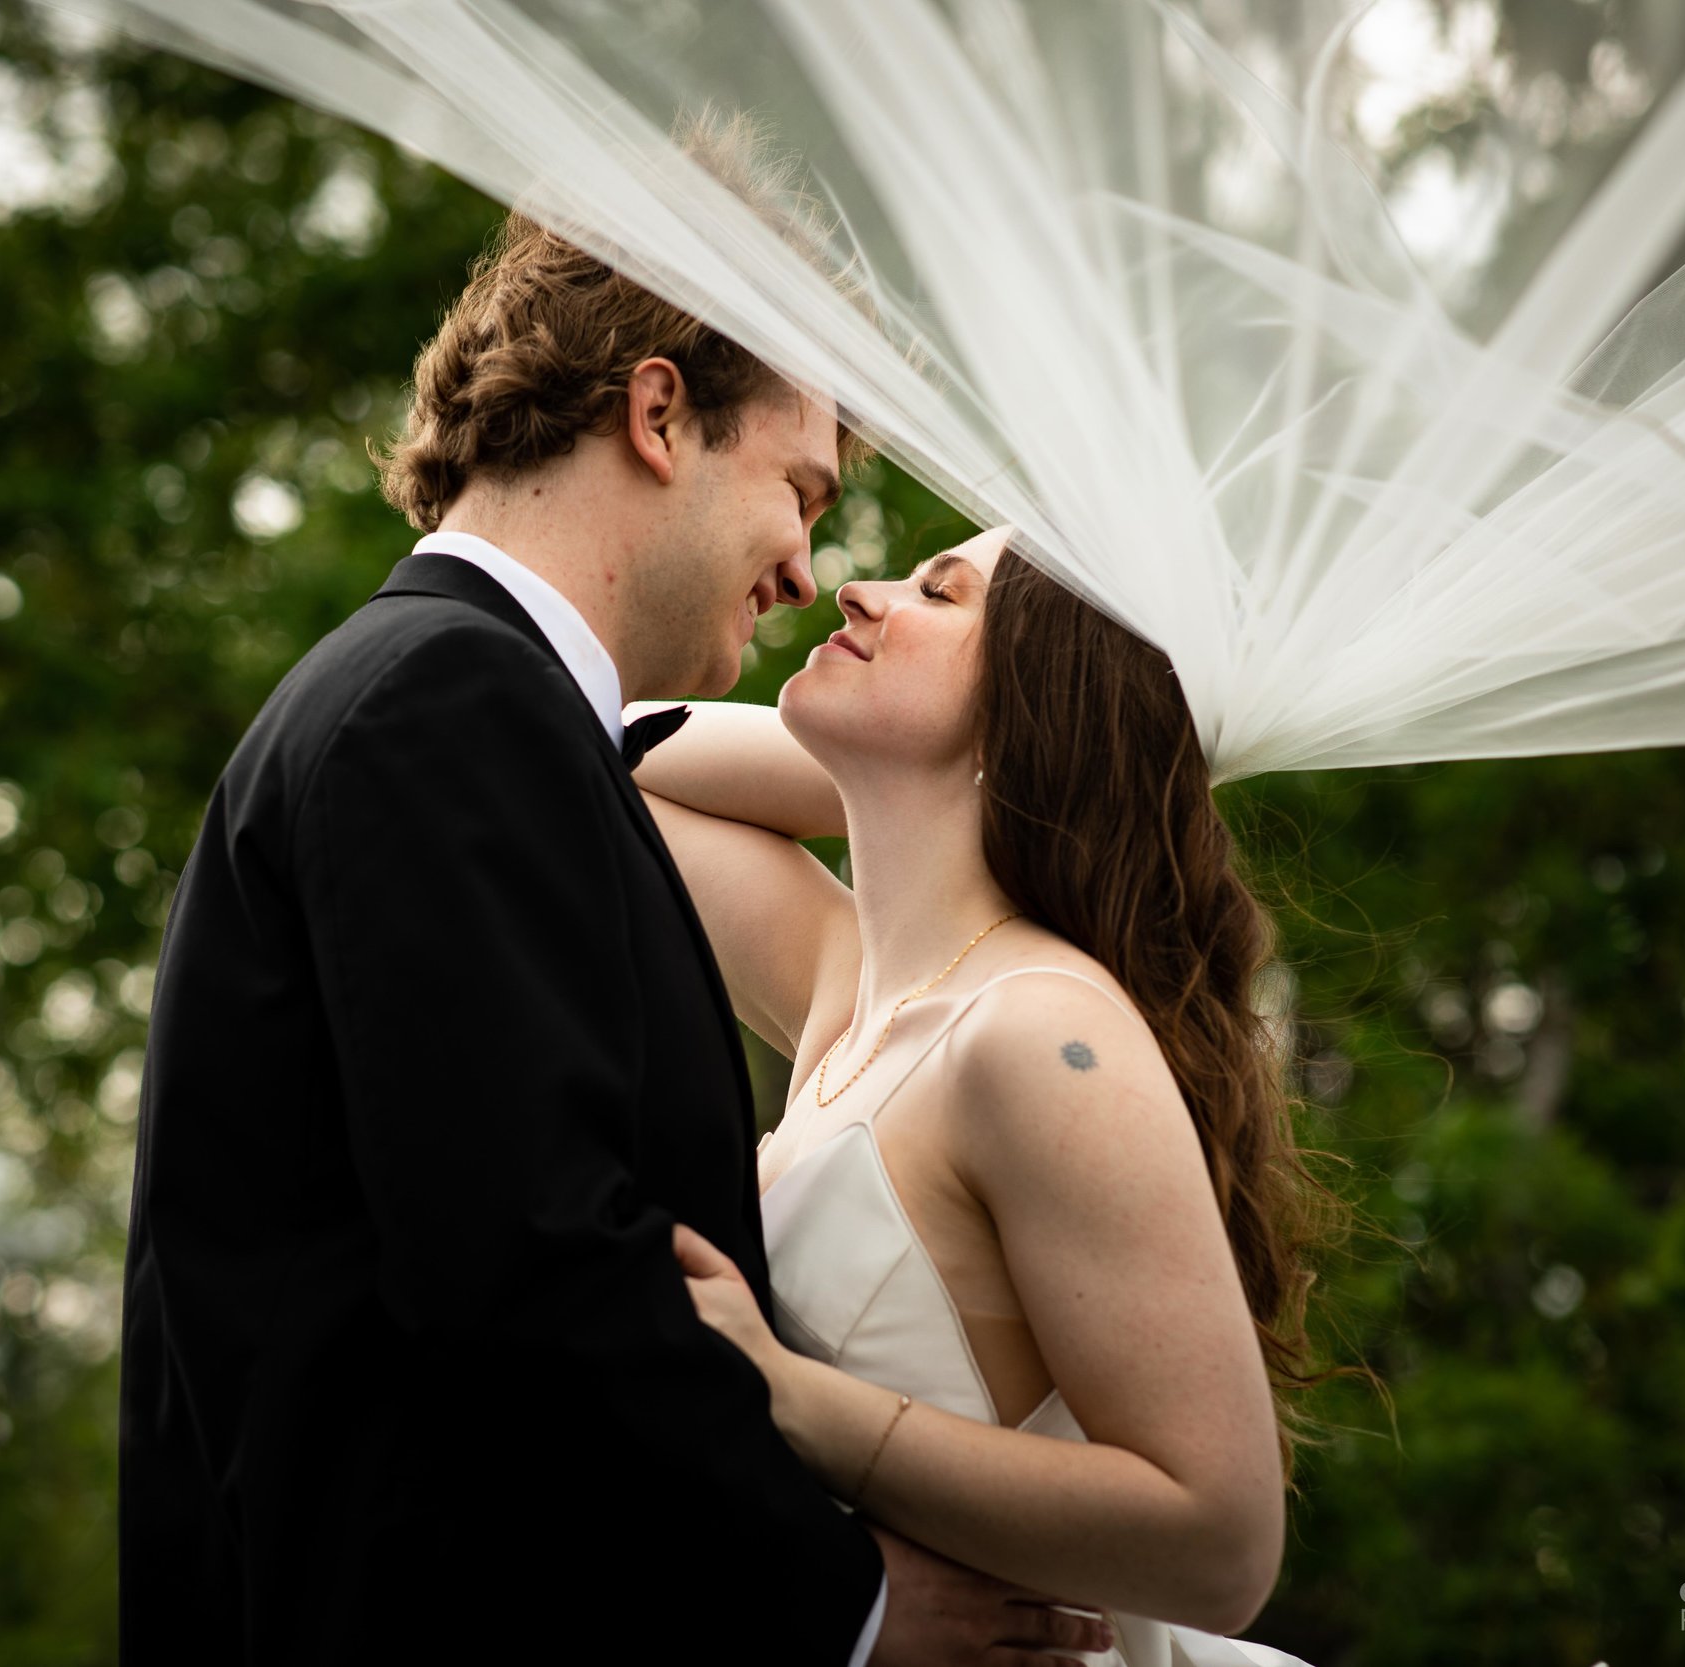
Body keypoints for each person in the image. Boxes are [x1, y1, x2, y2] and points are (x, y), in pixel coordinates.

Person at [116, 204, 1119, 1665]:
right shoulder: (450, 706)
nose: (803, 568)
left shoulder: (447, 698)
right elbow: (530, 1266)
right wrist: (855, 1603)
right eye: (803, 490)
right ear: (659, 413)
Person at [635, 528, 1355, 1666]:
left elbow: (1222, 1544)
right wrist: (893, 770)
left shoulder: (1039, 1031)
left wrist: (786, 1398)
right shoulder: (853, 989)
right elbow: (605, 757)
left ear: (1033, 701)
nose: (856, 590)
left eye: (938, 591)